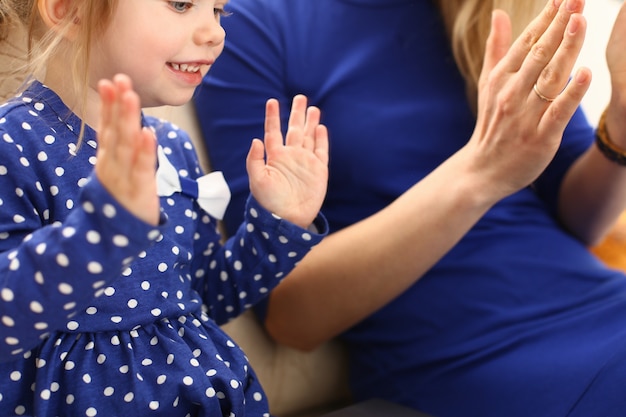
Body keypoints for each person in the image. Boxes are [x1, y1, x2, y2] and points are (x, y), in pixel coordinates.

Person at [194, 0, 626, 415]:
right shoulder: (251, 26)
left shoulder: (491, 12)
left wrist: (622, 119)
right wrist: (480, 172)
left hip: (602, 305)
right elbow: (289, 315)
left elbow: (581, 222)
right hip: (481, 358)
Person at [0, 0, 330, 416]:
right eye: (181, 4)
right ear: (68, 10)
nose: (215, 32)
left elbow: (207, 299)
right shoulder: (13, 144)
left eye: (218, 11)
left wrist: (279, 225)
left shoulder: (172, 148)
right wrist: (101, 234)